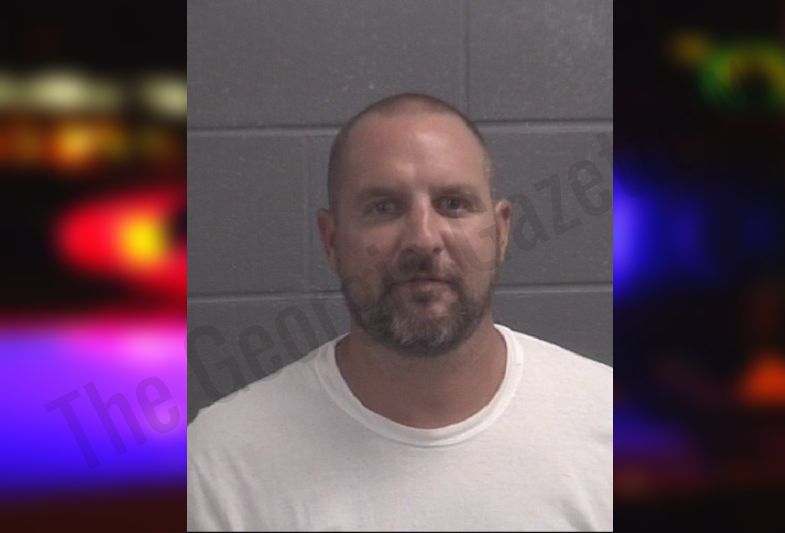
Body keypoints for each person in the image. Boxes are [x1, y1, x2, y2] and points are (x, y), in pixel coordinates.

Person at [188, 93, 612, 531]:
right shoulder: (223, 463)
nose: (423, 239)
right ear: (332, 241)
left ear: (500, 232)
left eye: (453, 204)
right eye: (384, 208)